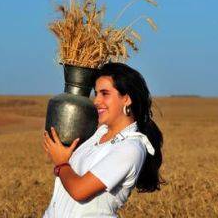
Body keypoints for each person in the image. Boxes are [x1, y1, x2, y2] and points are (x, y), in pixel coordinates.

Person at [42, 62, 164, 217]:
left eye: (105, 93)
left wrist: (61, 163)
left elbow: (79, 191)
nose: (96, 101)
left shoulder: (131, 148)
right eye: (96, 93)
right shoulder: (98, 133)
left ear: (126, 99)